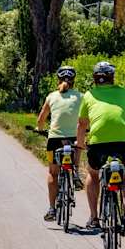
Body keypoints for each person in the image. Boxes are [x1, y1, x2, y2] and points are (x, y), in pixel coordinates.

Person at [75, 61, 125, 235]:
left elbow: (82, 124)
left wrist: (80, 143)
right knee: (124, 177)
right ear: (112, 78)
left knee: (93, 175)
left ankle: (94, 217)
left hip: (97, 143)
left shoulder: (89, 95)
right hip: (121, 143)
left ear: (95, 79)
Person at [35, 66, 83, 221]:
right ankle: (75, 170)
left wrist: (39, 128)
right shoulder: (81, 96)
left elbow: (41, 118)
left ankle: (52, 209)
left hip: (54, 140)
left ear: (58, 80)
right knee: (79, 142)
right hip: (73, 138)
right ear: (74, 81)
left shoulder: (51, 96)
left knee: (52, 173)